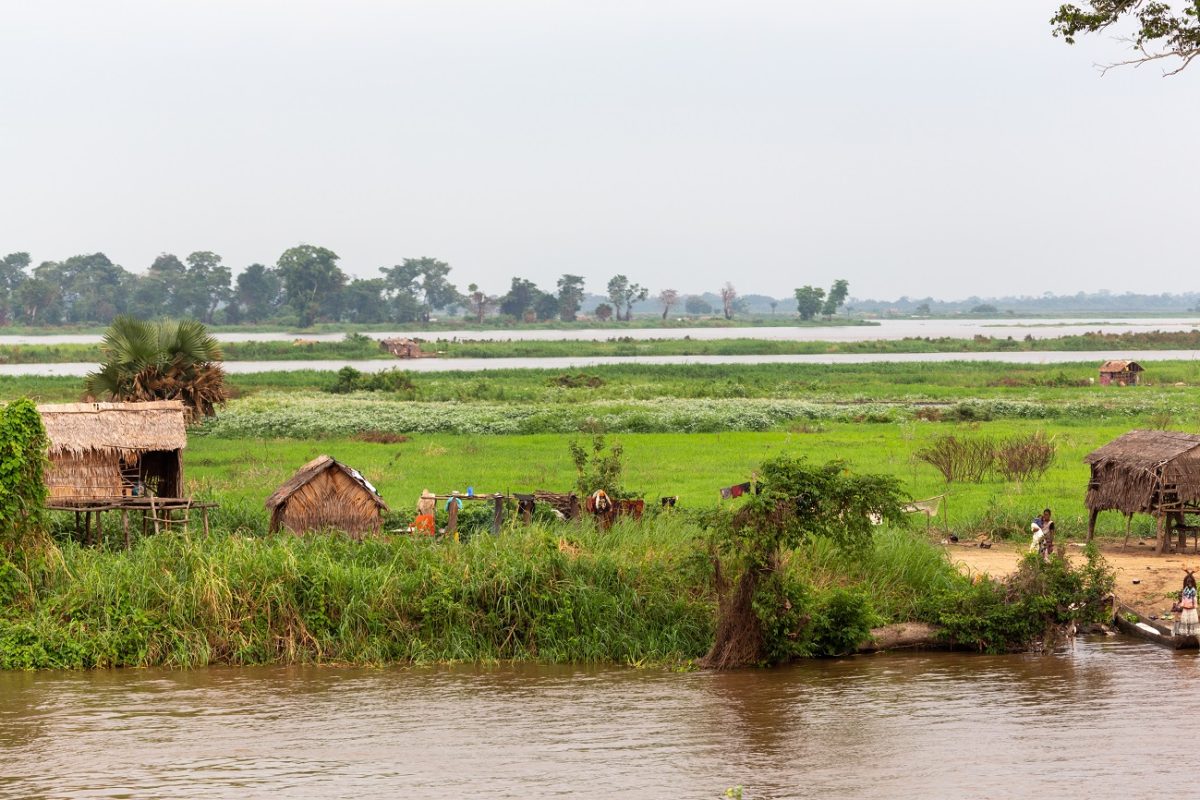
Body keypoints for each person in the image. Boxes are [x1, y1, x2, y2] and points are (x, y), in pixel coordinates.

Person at [1175, 571, 1200, 637]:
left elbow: (1194, 599)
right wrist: (1181, 605)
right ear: (1186, 583)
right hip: (1186, 608)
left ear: (1192, 583)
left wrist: (1190, 572)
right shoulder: (1184, 590)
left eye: (1190, 582)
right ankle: (1185, 635)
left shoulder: (1194, 590)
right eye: (1188, 582)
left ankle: (1192, 635)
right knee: (1184, 622)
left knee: (1192, 622)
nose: (1189, 584)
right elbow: (1183, 598)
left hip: (1192, 608)